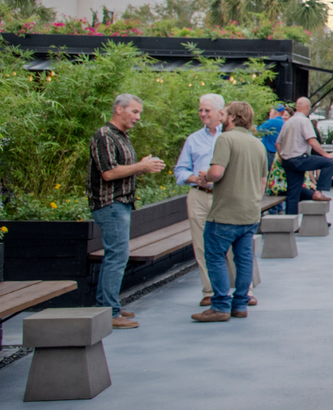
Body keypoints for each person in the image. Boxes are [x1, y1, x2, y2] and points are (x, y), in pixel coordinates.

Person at [87, 94, 166, 329]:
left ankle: (110, 307)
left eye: (139, 113)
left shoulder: (121, 136)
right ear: (119, 109)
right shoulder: (105, 135)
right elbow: (108, 173)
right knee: (116, 257)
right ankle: (109, 312)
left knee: (118, 256)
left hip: (120, 204)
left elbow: (122, 170)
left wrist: (141, 167)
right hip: (110, 204)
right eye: (134, 112)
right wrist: (140, 166)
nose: (138, 117)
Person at [191, 101, 269, 322]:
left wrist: (204, 175)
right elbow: (263, 180)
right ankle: (240, 304)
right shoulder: (258, 144)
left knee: (214, 256)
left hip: (226, 211)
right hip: (250, 211)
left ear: (233, 117)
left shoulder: (225, 139)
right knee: (244, 258)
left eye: (224, 113)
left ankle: (220, 306)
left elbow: (216, 172)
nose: (222, 116)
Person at [175, 93, 238, 308]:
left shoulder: (231, 137)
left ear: (221, 113)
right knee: (201, 244)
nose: (202, 114)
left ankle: (240, 290)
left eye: (207, 110)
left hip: (224, 196)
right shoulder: (193, 139)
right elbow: (180, 170)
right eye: (200, 110)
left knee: (230, 243)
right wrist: (194, 178)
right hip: (199, 195)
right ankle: (209, 290)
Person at [275, 97, 333, 215]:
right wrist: (326, 155)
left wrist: (282, 156)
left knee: (293, 193)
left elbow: (278, 143)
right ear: (307, 107)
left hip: (287, 160)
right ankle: (318, 192)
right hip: (299, 158)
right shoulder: (304, 121)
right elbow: (312, 141)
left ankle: (291, 223)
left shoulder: (288, 122)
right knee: (328, 163)